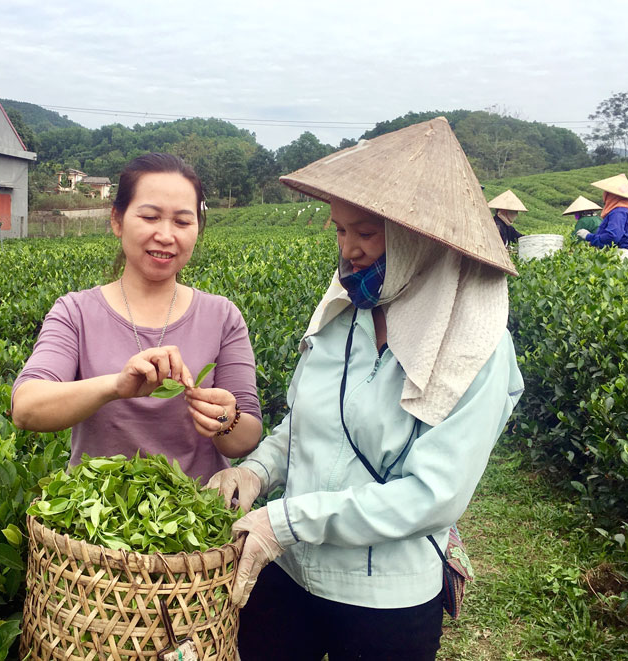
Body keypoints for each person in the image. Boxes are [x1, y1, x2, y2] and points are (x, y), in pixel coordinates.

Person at [207, 117, 524, 661]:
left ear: (416, 238)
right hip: (289, 570)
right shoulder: (343, 314)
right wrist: (255, 471)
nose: (348, 250)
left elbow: (433, 495)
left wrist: (284, 521)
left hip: (386, 598)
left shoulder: (476, 347)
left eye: (366, 233)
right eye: (339, 230)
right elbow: (307, 422)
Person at [11, 153, 261, 482]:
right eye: (150, 217)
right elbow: (26, 408)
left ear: (198, 229)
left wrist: (226, 420)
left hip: (196, 521)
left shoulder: (222, 316)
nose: (166, 235)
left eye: (183, 222)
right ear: (117, 220)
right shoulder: (75, 312)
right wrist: (116, 386)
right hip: (96, 519)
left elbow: (246, 438)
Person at [575, 173, 628, 261]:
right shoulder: (620, 211)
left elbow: (613, 236)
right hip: (614, 253)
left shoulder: (619, 212)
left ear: (612, 195)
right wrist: (595, 241)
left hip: (618, 255)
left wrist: (589, 236)